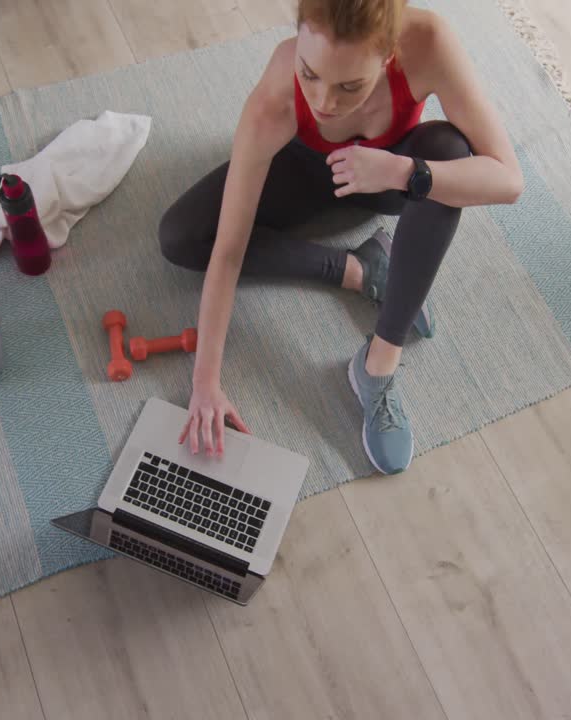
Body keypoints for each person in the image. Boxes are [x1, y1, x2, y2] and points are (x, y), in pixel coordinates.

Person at [158, 0, 524, 474]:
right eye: (309, 73)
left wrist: (404, 172)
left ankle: (377, 366)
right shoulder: (278, 96)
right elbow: (228, 250)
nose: (324, 102)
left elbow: (508, 180)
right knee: (181, 237)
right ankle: (361, 269)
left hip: (385, 177)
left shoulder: (428, 41)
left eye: (350, 85)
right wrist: (205, 383)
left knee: (448, 150)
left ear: (389, 54)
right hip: (304, 169)